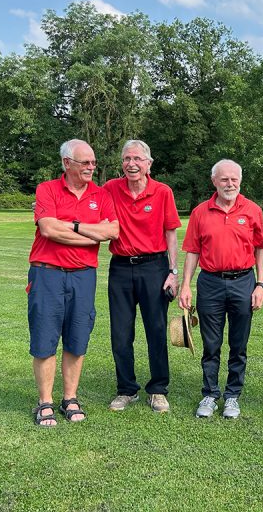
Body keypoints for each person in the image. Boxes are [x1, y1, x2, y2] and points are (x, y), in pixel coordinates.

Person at [27, 139, 119, 427]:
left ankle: (70, 398)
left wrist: (72, 225)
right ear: (67, 163)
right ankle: (45, 402)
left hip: (83, 275)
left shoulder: (101, 195)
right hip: (47, 273)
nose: (91, 167)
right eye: (85, 162)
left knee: (77, 338)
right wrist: (90, 235)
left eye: (93, 163)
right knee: (45, 338)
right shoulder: (47, 189)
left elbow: (112, 231)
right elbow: (48, 229)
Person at [178, 160, 263, 420]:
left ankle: (232, 396)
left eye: (234, 179)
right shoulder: (200, 212)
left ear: (240, 180)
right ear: (214, 181)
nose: (230, 184)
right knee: (211, 344)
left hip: (243, 282)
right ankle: (210, 393)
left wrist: (260, 285)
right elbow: (193, 251)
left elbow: (260, 248)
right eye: (224, 179)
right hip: (210, 283)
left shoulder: (252, 210)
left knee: (239, 344)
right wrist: (185, 284)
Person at [102, 140, 181, 414]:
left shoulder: (162, 191)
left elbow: (171, 234)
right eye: (126, 159)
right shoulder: (110, 188)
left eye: (137, 159)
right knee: (120, 332)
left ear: (149, 163)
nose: (131, 164)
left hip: (154, 267)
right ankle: (126, 389)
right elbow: (88, 207)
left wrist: (173, 272)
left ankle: (158, 389)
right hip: (121, 268)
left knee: (156, 330)